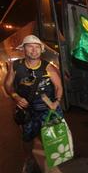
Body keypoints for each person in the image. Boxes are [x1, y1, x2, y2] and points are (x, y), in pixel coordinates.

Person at [4, 35, 63, 173]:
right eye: (30, 46)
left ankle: (53, 158)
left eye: (37, 47)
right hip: (27, 110)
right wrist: (15, 96)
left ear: (41, 50)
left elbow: (59, 87)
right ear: (23, 49)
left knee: (51, 136)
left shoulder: (49, 67)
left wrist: (57, 102)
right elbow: (7, 85)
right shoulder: (16, 65)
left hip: (46, 110)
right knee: (27, 138)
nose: (34, 50)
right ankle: (29, 158)